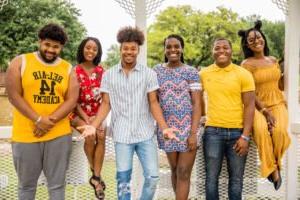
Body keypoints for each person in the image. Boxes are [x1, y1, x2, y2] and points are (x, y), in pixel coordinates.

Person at [78, 26, 178, 200]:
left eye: (133, 49)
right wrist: (93, 126)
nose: (129, 52)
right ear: (120, 49)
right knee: (123, 181)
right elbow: (106, 104)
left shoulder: (149, 74)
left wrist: (164, 128)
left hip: (145, 134)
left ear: (138, 50)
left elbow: (153, 102)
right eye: (126, 48)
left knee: (153, 177)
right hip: (122, 135)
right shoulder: (109, 75)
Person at [5, 23, 79, 200]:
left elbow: (71, 100)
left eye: (56, 47)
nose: (51, 50)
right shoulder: (21, 62)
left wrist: (48, 121)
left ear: (61, 47)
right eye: (47, 45)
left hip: (58, 135)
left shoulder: (68, 69)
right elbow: (13, 95)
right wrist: (37, 119)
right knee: (26, 186)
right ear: (40, 41)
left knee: (57, 186)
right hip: (26, 134)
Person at [200, 38, 255, 200]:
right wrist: (203, 116)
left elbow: (250, 106)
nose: (221, 51)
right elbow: (195, 100)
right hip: (212, 133)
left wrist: (245, 136)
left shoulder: (243, 74)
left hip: (238, 134)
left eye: (225, 48)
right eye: (217, 48)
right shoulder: (203, 73)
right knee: (211, 179)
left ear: (232, 51)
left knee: (236, 180)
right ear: (212, 51)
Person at [238, 20, 290, 190]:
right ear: (247, 44)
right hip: (256, 106)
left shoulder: (273, 60)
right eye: (251, 40)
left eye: (258, 37)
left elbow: (280, 85)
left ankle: (273, 165)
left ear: (263, 38)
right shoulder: (246, 64)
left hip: (277, 103)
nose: (256, 41)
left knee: (280, 132)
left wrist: (284, 70)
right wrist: (265, 111)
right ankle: (273, 170)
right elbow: (249, 91)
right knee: (261, 131)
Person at [153, 34, 202, 199]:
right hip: (168, 129)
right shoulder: (157, 71)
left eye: (176, 46)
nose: (172, 50)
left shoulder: (191, 72)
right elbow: (153, 101)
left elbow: (197, 103)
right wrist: (163, 127)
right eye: (169, 47)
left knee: (183, 171)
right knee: (175, 170)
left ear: (182, 49)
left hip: (188, 128)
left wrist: (193, 133)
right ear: (165, 49)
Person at [70, 37, 106, 199]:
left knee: (101, 135)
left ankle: (96, 177)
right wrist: (86, 119)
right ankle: (95, 174)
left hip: (97, 113)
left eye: (94, 49)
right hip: (77, 113)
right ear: (82, 49)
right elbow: (73, 100)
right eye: (88, 48)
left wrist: (96, 119)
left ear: (98, 53)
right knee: (90, 135)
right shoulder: (73, 71)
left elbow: (105, 99)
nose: (90, 51)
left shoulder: (102, 72)